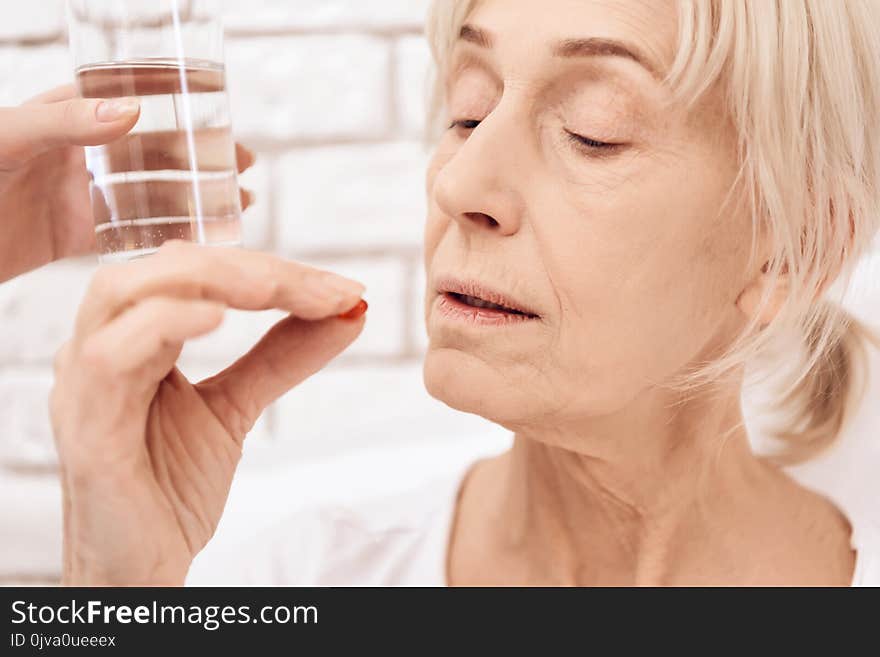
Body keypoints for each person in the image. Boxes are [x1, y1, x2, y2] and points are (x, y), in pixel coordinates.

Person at [46, 0, 880, 586]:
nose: (460, 183)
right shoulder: (297, 579)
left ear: (792, 250)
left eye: (595, 130)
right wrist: (113, 597)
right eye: (470, 111)